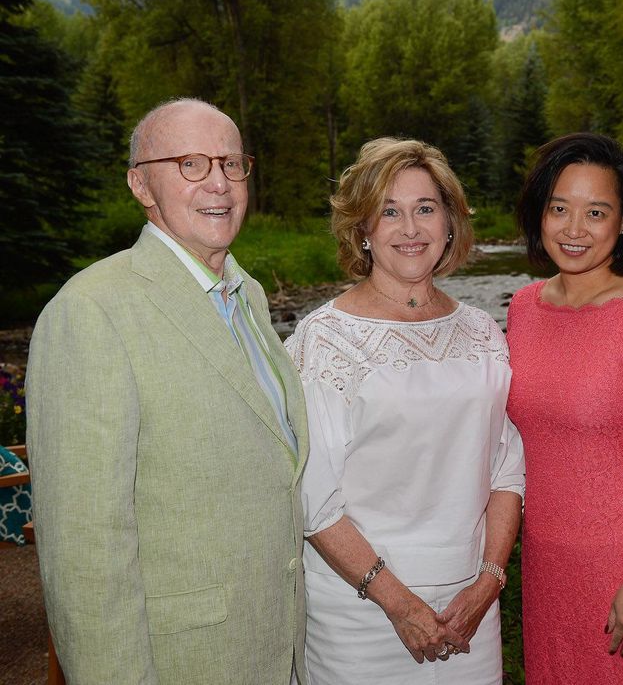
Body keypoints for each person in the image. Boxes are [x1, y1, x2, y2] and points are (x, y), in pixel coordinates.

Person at [26, 98, 309, 684]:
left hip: (271, 649)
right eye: (189, 163)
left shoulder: (247, 295)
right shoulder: (91, 310)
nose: (219, 183)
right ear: (140, 185)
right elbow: (85, 554)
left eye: (232, 163)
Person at [286, 137, 525, 684]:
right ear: (362, 229)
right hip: (360, 612)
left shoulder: (483, 331)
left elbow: (507, 467)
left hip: (471, 608)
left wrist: (490, 581)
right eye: (389, 212)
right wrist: (400, 604)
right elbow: (312, 496)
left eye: (425, 208)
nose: (410, 228)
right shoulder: (323, 341)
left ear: (449, 222)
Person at [506, 133, 623, 684]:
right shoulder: (523, 308)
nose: (573, 228)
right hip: (545, 562)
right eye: (559, 208)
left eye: (595, 212)